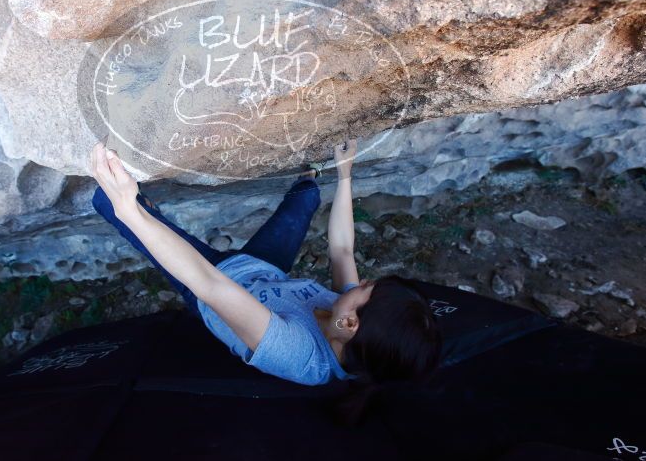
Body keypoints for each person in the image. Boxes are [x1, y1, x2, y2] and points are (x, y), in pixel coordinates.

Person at [89, 139, 442, 422]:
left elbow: (208, 284)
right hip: (264, 269)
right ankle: (311, 172)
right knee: (307, 195)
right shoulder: (353, 328)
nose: (360, 282)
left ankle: (130, 204)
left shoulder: (299, 355)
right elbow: (343, 251)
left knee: (109, 201)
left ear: (350, 323)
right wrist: (345, 174)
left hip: (211, 279)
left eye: (366, 289)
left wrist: (128, 209)